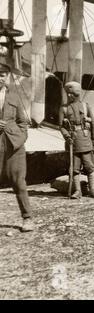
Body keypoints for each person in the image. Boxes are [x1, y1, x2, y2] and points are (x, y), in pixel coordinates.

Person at [0, 62, 34, 232]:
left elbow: (23, 122)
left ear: (7, 77)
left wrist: (19, 139)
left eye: (2, 75)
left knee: (19, 182)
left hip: (14, 146)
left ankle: (27, 218)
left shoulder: (14, 96)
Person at [59, 81, 94, 199]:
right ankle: (78, 191)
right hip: (73, 143)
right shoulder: (64, 109)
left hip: (86, 141)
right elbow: (61, 126)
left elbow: (93, 124)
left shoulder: (85, 106)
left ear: (77, 94)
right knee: (75, 168)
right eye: (67, 93)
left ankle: (92, 190)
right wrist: (67, 136)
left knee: (89, 167)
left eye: (71, 93)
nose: (69, 96)